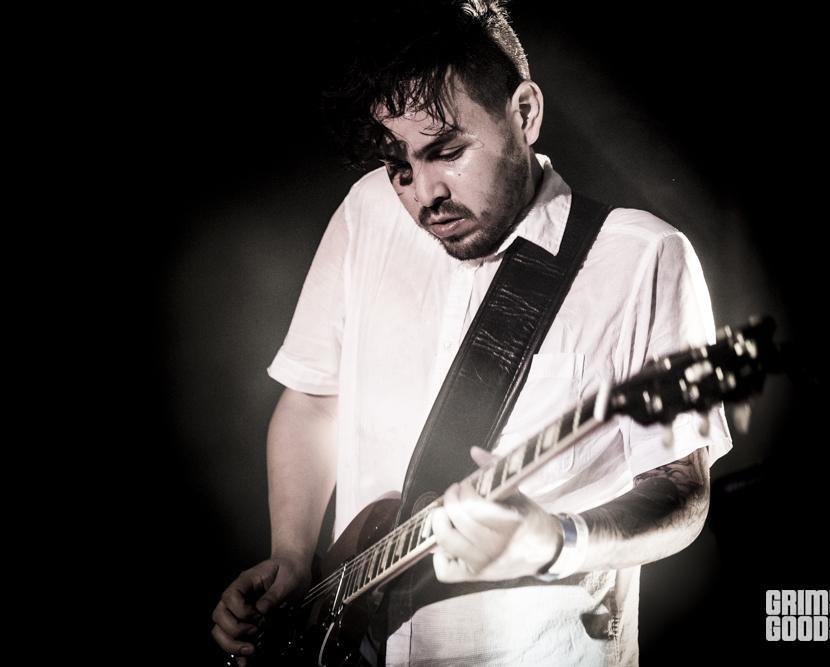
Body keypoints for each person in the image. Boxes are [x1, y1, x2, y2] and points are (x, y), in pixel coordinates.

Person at [211, 1, 732, 664]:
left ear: (525, 113)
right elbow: (313, 400)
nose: (423, 194)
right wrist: (290, 553)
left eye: (447, 152)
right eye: (400, 166)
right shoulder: (368, 210)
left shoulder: (644, 257)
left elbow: (681, 491)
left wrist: (559, 539)